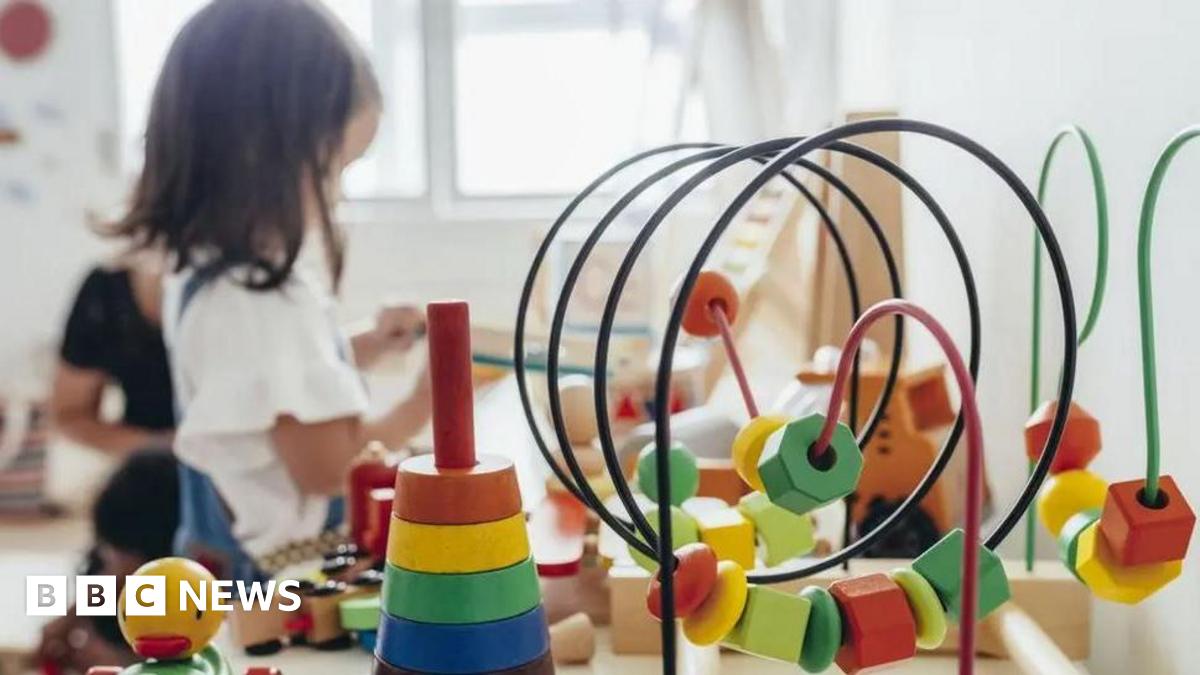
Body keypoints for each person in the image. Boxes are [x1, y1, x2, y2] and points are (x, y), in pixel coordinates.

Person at [109, 0, 431, 581]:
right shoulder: (265, 298)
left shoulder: (206, 270)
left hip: (229, 567)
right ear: (267, 153)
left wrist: (369, 345)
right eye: (335, 168)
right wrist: (424, 403)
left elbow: (269, 395)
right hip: (290, 588)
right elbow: (332, 468)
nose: (337, 195)